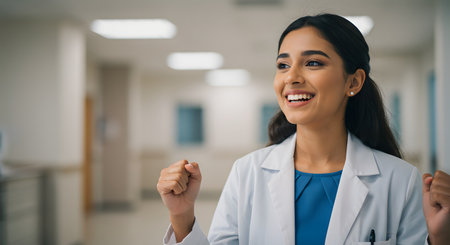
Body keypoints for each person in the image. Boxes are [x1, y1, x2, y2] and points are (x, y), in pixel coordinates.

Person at [157, 13, 450, 245]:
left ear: (354, 82)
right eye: (283, 65)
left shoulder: (399, 180)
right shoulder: (247, 173)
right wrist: (182, 217)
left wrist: (440, 239)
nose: (291, 78)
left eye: (312, 62)